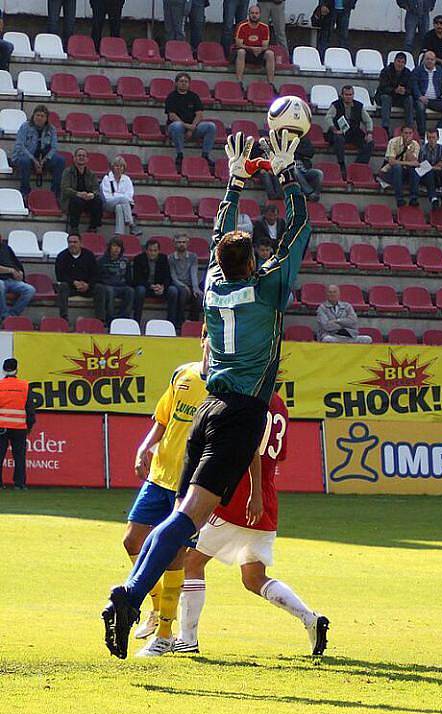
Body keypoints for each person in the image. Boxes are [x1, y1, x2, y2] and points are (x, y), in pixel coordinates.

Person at [101, 129, 312, 660]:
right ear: (256, 261)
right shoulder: (269, 290)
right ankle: (129, 596)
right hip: (240, 414)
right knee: (187, 518)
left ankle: (141, 604)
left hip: (208, 409)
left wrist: (236, 179)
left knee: (182, 522)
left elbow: (220, 230)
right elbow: (300, 230)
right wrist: (287, 174)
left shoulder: (214, 286)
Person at [177, 391, 329, 657]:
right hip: (267, 500)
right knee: (253, 578)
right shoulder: (280, 405)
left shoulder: (249, 400)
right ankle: (310, 619)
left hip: (240, 498)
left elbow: (249, 450)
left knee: (191, 562)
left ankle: (187, 638)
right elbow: (276, 456)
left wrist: (252, 493)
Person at [124, 346, 209, 656]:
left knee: (175, 556)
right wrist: (144, 447)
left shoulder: (226, 385)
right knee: (132, 540)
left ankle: (165, 634)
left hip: (189, 485)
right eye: (209, 337)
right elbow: (163, 419)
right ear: (203, 340)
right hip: (159, 476)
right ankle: (156, 607)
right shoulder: (183, 374)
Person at [11, 105, 65, 203]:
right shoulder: (25, 126)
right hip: (26, 157)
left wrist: (44, 160)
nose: (39, 118)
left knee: (60, 160)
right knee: (24, 161)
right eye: (37, 115)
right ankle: (25, 192)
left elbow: (54, 147)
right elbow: (20, 146)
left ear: (46, 118)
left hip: (43, 159)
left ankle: (55, 193)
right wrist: (34, 160)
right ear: (33, 116)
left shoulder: (51, 129)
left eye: (42, 116)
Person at [165, 72, 216, 173]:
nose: (184, 83)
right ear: (176, 83)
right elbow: (172, 115)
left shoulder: (194, 96)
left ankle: (205, 155)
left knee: (211, 126)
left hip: (192, 126)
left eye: (186, 81)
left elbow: (199, 114)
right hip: (177, 127)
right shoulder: (171, 96)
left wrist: (193, 127)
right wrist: (187, 127)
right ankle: (180, 154)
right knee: (177, 126)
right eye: (181, 81)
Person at [0, 358, 35, 490]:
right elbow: (30, 409)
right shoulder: (25, 386)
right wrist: (29, 426)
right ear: (17, 369)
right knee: (19, 457)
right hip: (19, 427)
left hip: (1, 426)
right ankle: (19, 484)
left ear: (4, 370)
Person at [325, 84, 374, 179]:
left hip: (353, 132)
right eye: (346, 94)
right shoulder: (336, 105)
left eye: (351, 94)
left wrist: (369, 133)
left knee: (370, 143)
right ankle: (341, 164)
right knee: (338, 139)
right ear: (342, 95)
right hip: (338, 132)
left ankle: (358, 165)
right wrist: (334, 129)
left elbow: (368, 120)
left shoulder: (359, 106)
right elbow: (328, 117)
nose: (349, 97)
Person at [411, 50, 442, 136]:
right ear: (424, 60)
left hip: (436, 100)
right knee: (420, 107)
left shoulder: (441, 71)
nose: (429, 61)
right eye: (427, 59)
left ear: (435, 60)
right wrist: (420, 96)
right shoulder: (417, 70)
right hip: (422, 99)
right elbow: (414, 85)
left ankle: (436, 132)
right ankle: (422, 134)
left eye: (432, 59)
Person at [55, 233, 100, 322]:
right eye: (70, 242)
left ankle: (100, 319)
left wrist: (88, 285)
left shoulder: (89, 255)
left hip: (87, 287)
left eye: (75, 242)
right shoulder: (61, 256)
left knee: (100, 288)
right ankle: (64, 318)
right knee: (62, 287)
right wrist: (73, 282)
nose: (72, 244)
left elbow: (95, 274)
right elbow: (60, 275)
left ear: (80, 243)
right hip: (70, 287)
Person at [133, 239, 178, 326]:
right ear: (146, 250)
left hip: (160, 288)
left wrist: (163, 287)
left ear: (158, 251)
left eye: (155, 251)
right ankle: (136, 321)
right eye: (150, 250)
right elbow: (137, 279)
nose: (153, 253)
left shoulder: (163, 258)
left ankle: (171, 323)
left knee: (173, 291)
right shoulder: (138, 259)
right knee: (140, 290)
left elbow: (168, 277)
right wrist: (150, 286)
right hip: (146, 288)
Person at [60, 147, 103, 233]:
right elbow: (65, 189)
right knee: (77, 201)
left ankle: (93, 227)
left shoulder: (91, 174)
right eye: (79, 155)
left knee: (98, 201)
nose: (81, 157)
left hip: (87, 200)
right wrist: (78, 194)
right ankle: (74, 228)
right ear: (74, 158)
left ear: (87, 159)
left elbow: (97, 189)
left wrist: (92, 195)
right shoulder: (68, 172)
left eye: (83, 156)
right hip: (71, 200)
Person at [95, 237, 134, 326]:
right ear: (109, 247)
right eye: (114, 246)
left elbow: (128, 278)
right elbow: (98, 277)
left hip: (121, 285)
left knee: (130, 291)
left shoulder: (125, 261)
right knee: (110, 291)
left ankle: (123, 318)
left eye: (119, 247)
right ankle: (110, 318)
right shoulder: (101, 260)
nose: (116, 249)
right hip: (107, 285)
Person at [378, 125, 420, 207]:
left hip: (404, 172)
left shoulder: (415, 145)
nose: (408, 135)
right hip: (389, 172)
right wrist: (407, 163)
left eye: (410, 133)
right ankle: (399, 199)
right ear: (401, 133)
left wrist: (408, 148)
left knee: (413, 170)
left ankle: (413, 198)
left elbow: (414, 162)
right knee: (397, 167)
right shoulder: (393, 142)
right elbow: (391, 162)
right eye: (406, 133)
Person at [100, 156, 142, 237]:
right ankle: (131, 224)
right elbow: (107, 196)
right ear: (113, 167)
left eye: (121, 166)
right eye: (117, 166)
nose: (119, 168)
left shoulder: (127, 179)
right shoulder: (107, 179)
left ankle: (118, 234)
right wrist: (120, 197)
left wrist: (116, 196)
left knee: (119, 207)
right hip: (108, 204)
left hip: (122, 205)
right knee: (123, 199)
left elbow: (129, 195)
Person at [234, 5, 275, 87]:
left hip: (259, 52)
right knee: (241, 52)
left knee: (270, 54)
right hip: (247, 52)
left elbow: (265, 45)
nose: (254, 15)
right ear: (248, 14)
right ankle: (239, 81)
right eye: (252, 13)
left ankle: (270, 83)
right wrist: (251, 48)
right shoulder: (242, 26)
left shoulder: (265, 27)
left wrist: (259, 49)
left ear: (260, 14)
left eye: (256, 13)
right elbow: (238, 44)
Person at [374, 52, 414, 136]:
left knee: (409, 99)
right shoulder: (386, 71)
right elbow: (383, 87)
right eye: (398, 61)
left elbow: (410, 89)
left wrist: (404, 91)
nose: (400, 64)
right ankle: (385, 128)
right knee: (386, 98)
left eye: (402, 62)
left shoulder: (407, 73)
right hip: (385, 96)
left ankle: (409, 127)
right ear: (394, 61)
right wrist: (395, 90)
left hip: (400, 98)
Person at [168, 234, 202, 330]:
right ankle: (179, 321)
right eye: (179, 242)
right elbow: (173, 276)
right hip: (177, 284)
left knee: (198, 296)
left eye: (184, 242)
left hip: (189, 284)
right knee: (182, 292)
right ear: (174, 244)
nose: (181, 244)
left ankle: (192, 322)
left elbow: (194, 273)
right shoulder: (170, 258)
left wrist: (195, 288)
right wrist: (183, 286)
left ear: (188, 244)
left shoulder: (193, 257)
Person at [0, 235, 36, 323]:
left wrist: (19, 272)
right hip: (1, 280)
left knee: (30, 290)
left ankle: (12, 315)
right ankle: (4, 315)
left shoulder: (7, 248)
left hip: (11, 280)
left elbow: (15, 263)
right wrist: (10, 270)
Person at [417, 128, 442, 208]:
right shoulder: (422, 149)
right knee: (429, 173)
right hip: (425, 177)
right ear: (427, 138)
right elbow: (423, 167)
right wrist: (436, 166)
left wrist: (430, 167)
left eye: (433, 137)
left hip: (438, 175)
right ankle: (433, 198)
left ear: (438, 138)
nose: (431, 140)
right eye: (429, 138)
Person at [295, 135, 323, 201]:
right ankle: (310, 193)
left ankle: (316, 194)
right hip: (291, 171)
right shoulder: (284, 140)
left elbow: (310, 153)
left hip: (305, 169)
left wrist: (296, 150)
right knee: (295, 171)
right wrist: (302, 153)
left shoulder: (304, 139)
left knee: (319, 173)